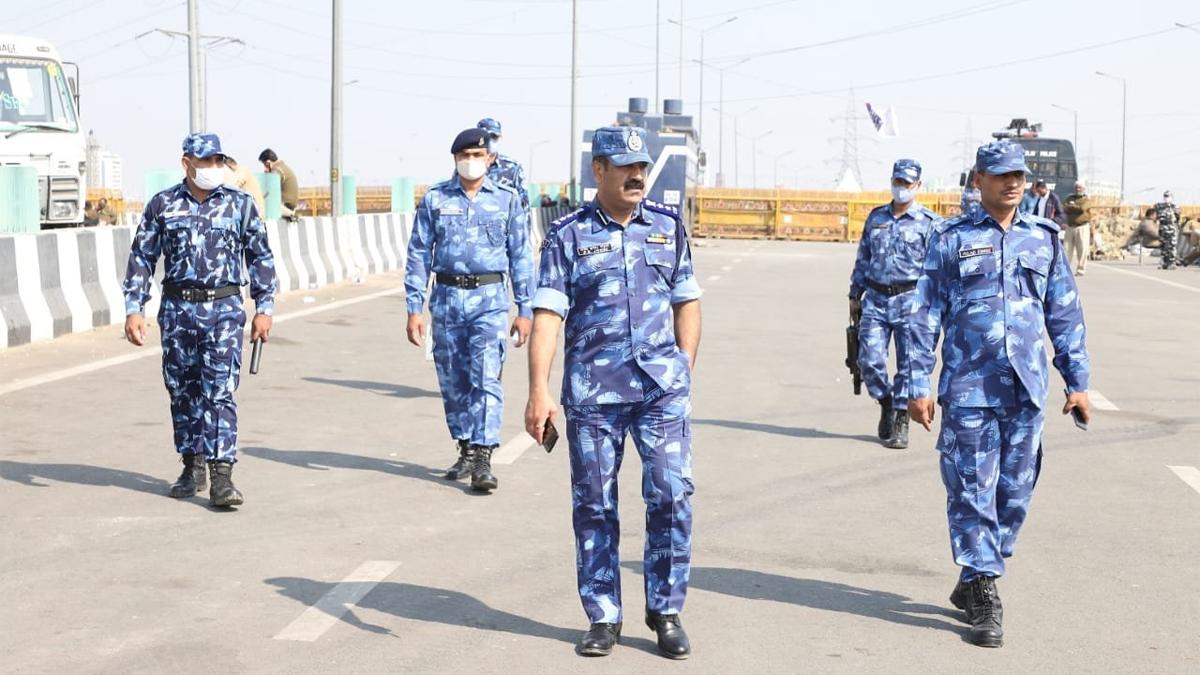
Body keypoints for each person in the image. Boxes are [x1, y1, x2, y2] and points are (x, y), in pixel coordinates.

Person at [524, 126, 702, 659]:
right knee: (596, 505)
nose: (638, 175)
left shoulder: (669, 229)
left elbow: (687, 300)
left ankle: (666, 610)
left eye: (642, 166)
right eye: (625, 166)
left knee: (672, 494)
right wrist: (539, 390)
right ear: (598, 171)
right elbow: (548, 316)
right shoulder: (567, 236)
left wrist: (683, 368)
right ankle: (604, 615)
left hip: (660, 392)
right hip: (593, 395)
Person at [908, 139, 1091, 649]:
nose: (1012, 183)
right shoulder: (950, 239)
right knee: (970, 488)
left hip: (1027, 386)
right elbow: (924, 316)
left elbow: (1065, 314)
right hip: (969, 388)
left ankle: (976, 570)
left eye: (1018, 175)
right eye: (1000, 175)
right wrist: (917, 382)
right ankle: (984, 586)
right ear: (978, 181)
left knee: (1014, 492)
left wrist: (1077, 381)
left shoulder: (1044, 239)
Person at [122, 132, 277, 508]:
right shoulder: (163, 205)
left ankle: (222, 475)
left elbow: (260, 257)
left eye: (216, 161)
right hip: (178, 311)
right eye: (204, 161)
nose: (212, 168)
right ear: (186, 163)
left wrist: (264, 308)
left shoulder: (239, 205)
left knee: (219, 390)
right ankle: (192, 466)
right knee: (182, 390)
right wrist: (134, 307)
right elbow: (142, 256)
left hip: (223, 310)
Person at [404, 127, 534, 493]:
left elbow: (522, 256)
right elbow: (417, 255)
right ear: (455, 159)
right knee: (453, 381)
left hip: (490, 301)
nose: (472, 162)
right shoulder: (435, 199)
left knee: (486, 377)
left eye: (479, 156)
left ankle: (483, 456)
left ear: (490, 159)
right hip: (446, 300)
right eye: (466, 156)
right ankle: (465, 445)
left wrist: (525, 308)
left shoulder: (507, 201)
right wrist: (414, 307)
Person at [848, 159, 941, 450]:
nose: (901, 188)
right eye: (897, 182)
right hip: (875, 299)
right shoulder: (876, 218)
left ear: (918, 186)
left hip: (910, 300)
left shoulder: (929, 223)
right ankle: (886, 401)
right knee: (869, 360)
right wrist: (854, 293)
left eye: (907, 184)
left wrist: (935, 305)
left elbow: (936, 268)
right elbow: (864, 257)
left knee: (908, 364)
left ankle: (900, 418)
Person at [477, 117, 530, 213]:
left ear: (500, 138)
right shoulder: (468, 166)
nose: (489, 140)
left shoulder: (512, 168)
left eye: (494, 137)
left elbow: (524, 205)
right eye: (486, 136)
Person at [258, 148, 299, 218]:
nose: (264, 168)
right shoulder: (283, 168)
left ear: (268, 162)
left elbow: (267, 191)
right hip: (289, 208)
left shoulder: (277, 170)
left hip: (284, 208)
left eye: (264, 164)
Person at [1062, 181, 1092, 276]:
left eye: (1079, 188)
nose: (1077, 189)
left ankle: (1081, 269)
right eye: (1076, 187)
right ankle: (1066, 269)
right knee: (1067, 249)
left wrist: (1072, 207)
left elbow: (1082, 208)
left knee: (1082, 249)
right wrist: (1074, 207)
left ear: (1083, 189)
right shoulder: (1070, 198)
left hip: (1082, 227)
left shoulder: (1086, 199)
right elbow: (1064, 207)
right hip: (1070, 226)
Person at [1154, 190, 1181, 269]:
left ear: (1172, 197)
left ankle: (1171, 263)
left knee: (1172, 246)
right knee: (1164, 246)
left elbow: (1177, 217)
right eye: (1165, 196)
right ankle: (1164, 263)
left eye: (1168, 196)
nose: (1166, 198)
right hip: (1163, 227)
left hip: (1172, 228)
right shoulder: (1158, 206)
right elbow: (1156, 216)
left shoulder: (1175, 207)